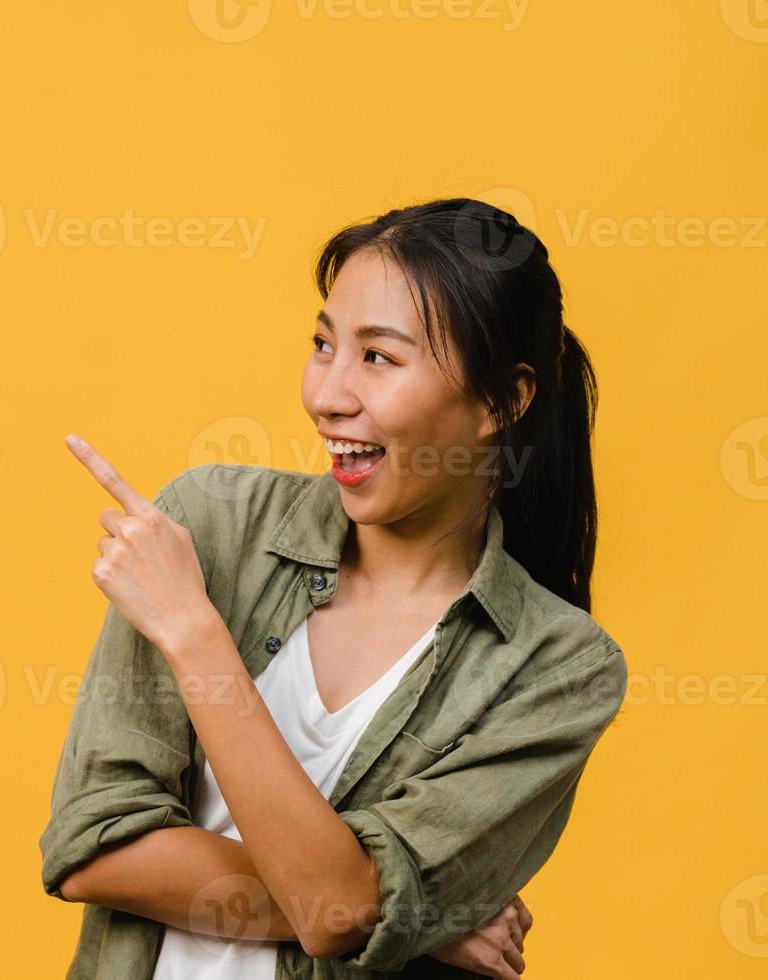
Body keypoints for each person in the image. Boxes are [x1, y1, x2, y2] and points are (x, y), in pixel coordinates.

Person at [39, 199, 628, 979]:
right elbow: (94, 848)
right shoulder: (212, 526)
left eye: (378, 358)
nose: (328, 395)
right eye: (323, 345)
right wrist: (415, 919)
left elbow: (338, 911)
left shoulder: (557, 667)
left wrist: (194, 635)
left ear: (503, 400)